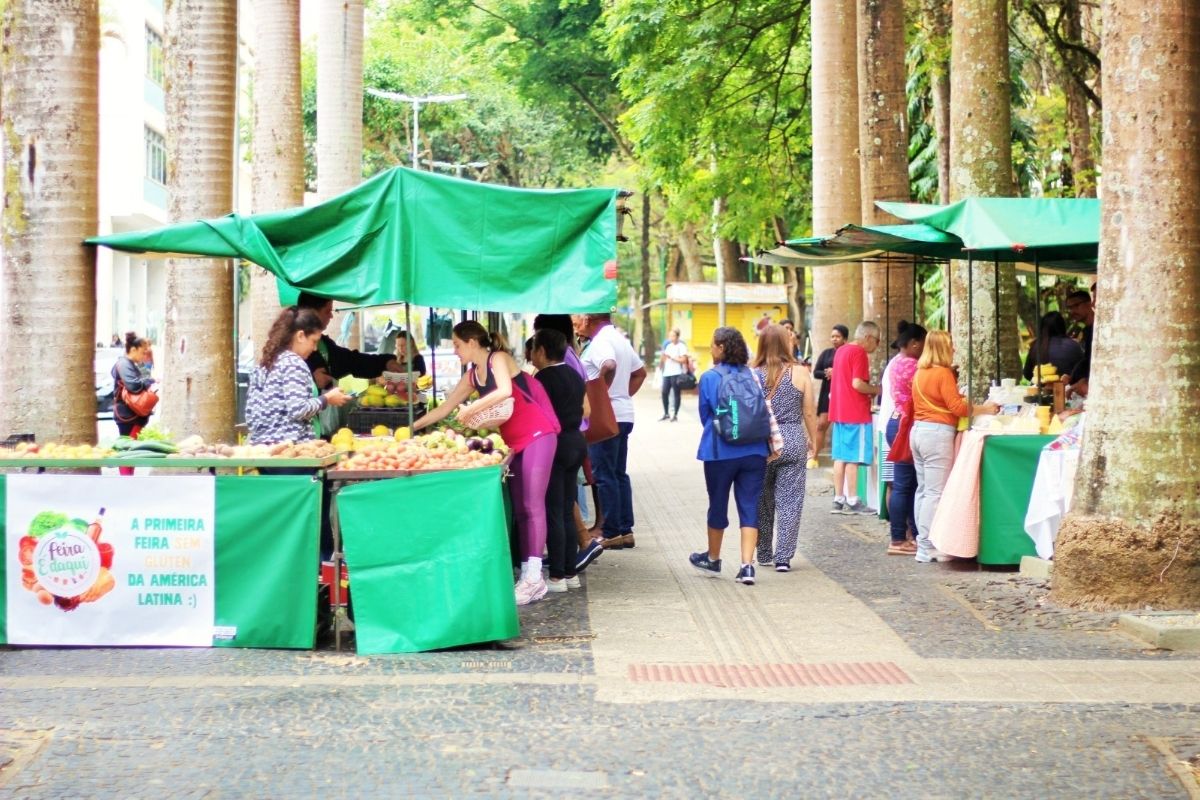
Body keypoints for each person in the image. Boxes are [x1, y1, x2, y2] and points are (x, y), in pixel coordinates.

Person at [413, 321, 560, 605]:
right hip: (515, 443)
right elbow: (445, 409)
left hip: (539, 435)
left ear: (471, 342)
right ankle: (530, 577)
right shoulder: (472, 377)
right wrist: (411, 427)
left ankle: (533, 577)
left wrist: (472, 408)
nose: (454, 351)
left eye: (456, 345)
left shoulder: (498, 359)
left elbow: (505, 390)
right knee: (520, 509)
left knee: (532, 505)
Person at [689, 327, 769, 586]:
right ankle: (747, 566)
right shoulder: (754, 375)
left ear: (722, 347)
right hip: (755, 450)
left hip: (719, 451)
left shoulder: (710, 377)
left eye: (713, 345)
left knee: (718, 503)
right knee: (749, 505)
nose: (711, 349)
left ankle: (713, 558)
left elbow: (705, 416)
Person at [911, 330, 999, 564]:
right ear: (943, 348)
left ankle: (922, 541)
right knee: (934, 492)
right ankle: (927, 545)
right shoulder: (943, 373)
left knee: (923, 490)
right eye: (951, 345)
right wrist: (985, 408)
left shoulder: (920, 372)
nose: (954, 349)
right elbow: (957, 408)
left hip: (918, 431)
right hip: (937, 433)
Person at [574, 313, 647, 551]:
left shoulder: (601, 342)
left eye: (578, 317)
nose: (576, 321)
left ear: (588, 319)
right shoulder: (618, 338)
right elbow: (640, 372)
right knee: (618, 473)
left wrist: (602, 396)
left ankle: (612, 531)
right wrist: (621, 395)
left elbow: (609, 364)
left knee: (604, 475)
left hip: (607, 416)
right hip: (623, 414)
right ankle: (625, 530)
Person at [751, 324, 818, 572]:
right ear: (785, 343)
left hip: (761, 442)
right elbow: (809, 411)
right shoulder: (800, 372)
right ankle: (783, 557)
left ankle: (764, 552)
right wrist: (814, 439)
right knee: (790, 500)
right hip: (791, 439)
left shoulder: (752, 373)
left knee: (761, 500)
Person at [531, 328, 591, 592]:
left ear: (542, 351)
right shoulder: (574, 374)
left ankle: (556, 576)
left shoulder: (541, 378)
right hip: (576, 442)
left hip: (554, 445)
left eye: (533, 348)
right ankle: (570, 572)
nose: (531, 354)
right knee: (567, 507)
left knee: (553, 510)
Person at [245, 308, 351, 444]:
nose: (315, 349)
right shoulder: (294, 363)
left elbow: (250, 414)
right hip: (291, 451)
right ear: (300, 336)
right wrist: (327, 398)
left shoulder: (265, 363)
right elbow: (298, 409)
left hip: (262, 450)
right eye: (314, 341)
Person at [296, 292, 403, 392]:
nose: (331, 316)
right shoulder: (289, 347)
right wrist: (312, 382)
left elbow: (353, 362)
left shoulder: (325, 344)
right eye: (327, 311)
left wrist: (386, 362)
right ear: (312, 313)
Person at [828, 322, 881, 515]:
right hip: (855, 412)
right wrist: (876, 390)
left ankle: (838, 498)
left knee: (840, 456)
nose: (877, 345)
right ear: (868, 337)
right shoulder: (859, 353)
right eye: (877, 340)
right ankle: (853, 499)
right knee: (853, 457)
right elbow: (858, 384)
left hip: (839, 411)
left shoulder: (841, 351)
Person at [885, 321, 927, 556]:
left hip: (897, 420)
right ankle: (898, 538)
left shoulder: (896, 362)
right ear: (913, 344)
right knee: (903, 485)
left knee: (907, 484)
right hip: (905, 423)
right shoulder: (912, 366)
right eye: (923, 344)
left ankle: (909, 535)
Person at [112, 332, 157, 476]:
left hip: (131, 414)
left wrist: (146, 372)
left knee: (130, 451)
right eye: (142, 352)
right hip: (127, 414)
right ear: (133, 349)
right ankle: (126, 482)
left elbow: (144, 379)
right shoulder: (124, 363)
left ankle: (128, 479)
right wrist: (147, 381)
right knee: (128, 451)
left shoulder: (132, 364)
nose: (144, 355)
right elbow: (133, 386)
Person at [808, 324, 849, 467]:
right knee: (821, 425)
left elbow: (852, 373)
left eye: (837, 336)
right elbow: (816, 372)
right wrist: (828, 373)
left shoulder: (848, 353)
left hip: (844, 394)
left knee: (843, 425)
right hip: (827, 393)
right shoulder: (826, 353)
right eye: (832, 336)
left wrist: (837, 372)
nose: (834, 339)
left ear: (845, 338)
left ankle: (843, 458)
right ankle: (814, 456)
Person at [1022, 311, 1083, 382]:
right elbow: (1082, 372)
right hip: (1067, 390)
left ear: (1042, 328)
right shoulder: (1073, 345)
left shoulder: (1036, 346)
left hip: (1040, 389)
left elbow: (1027, 374)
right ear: (1062, 326)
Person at [1064, 289, 1095, 395]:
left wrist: (1086, 381)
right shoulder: (1085, 330)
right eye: (1069, 308)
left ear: (1089, 303)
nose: (1072, 311)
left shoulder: (1097, 329)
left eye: (1076, 306)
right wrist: (1072, 377)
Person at [659, 328, 689, 421]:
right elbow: (664, 357)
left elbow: (684, 360)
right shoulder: (668, 346)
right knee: (664, 392)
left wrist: (672, 358)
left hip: (676, 372)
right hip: (667, 372)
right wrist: (661, 364)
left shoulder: (681, 346)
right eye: (670, 336)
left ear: (677, 336)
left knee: (676, 393)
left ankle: (675, 414)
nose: (671, 338)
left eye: (673, 336)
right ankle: (666, 413)